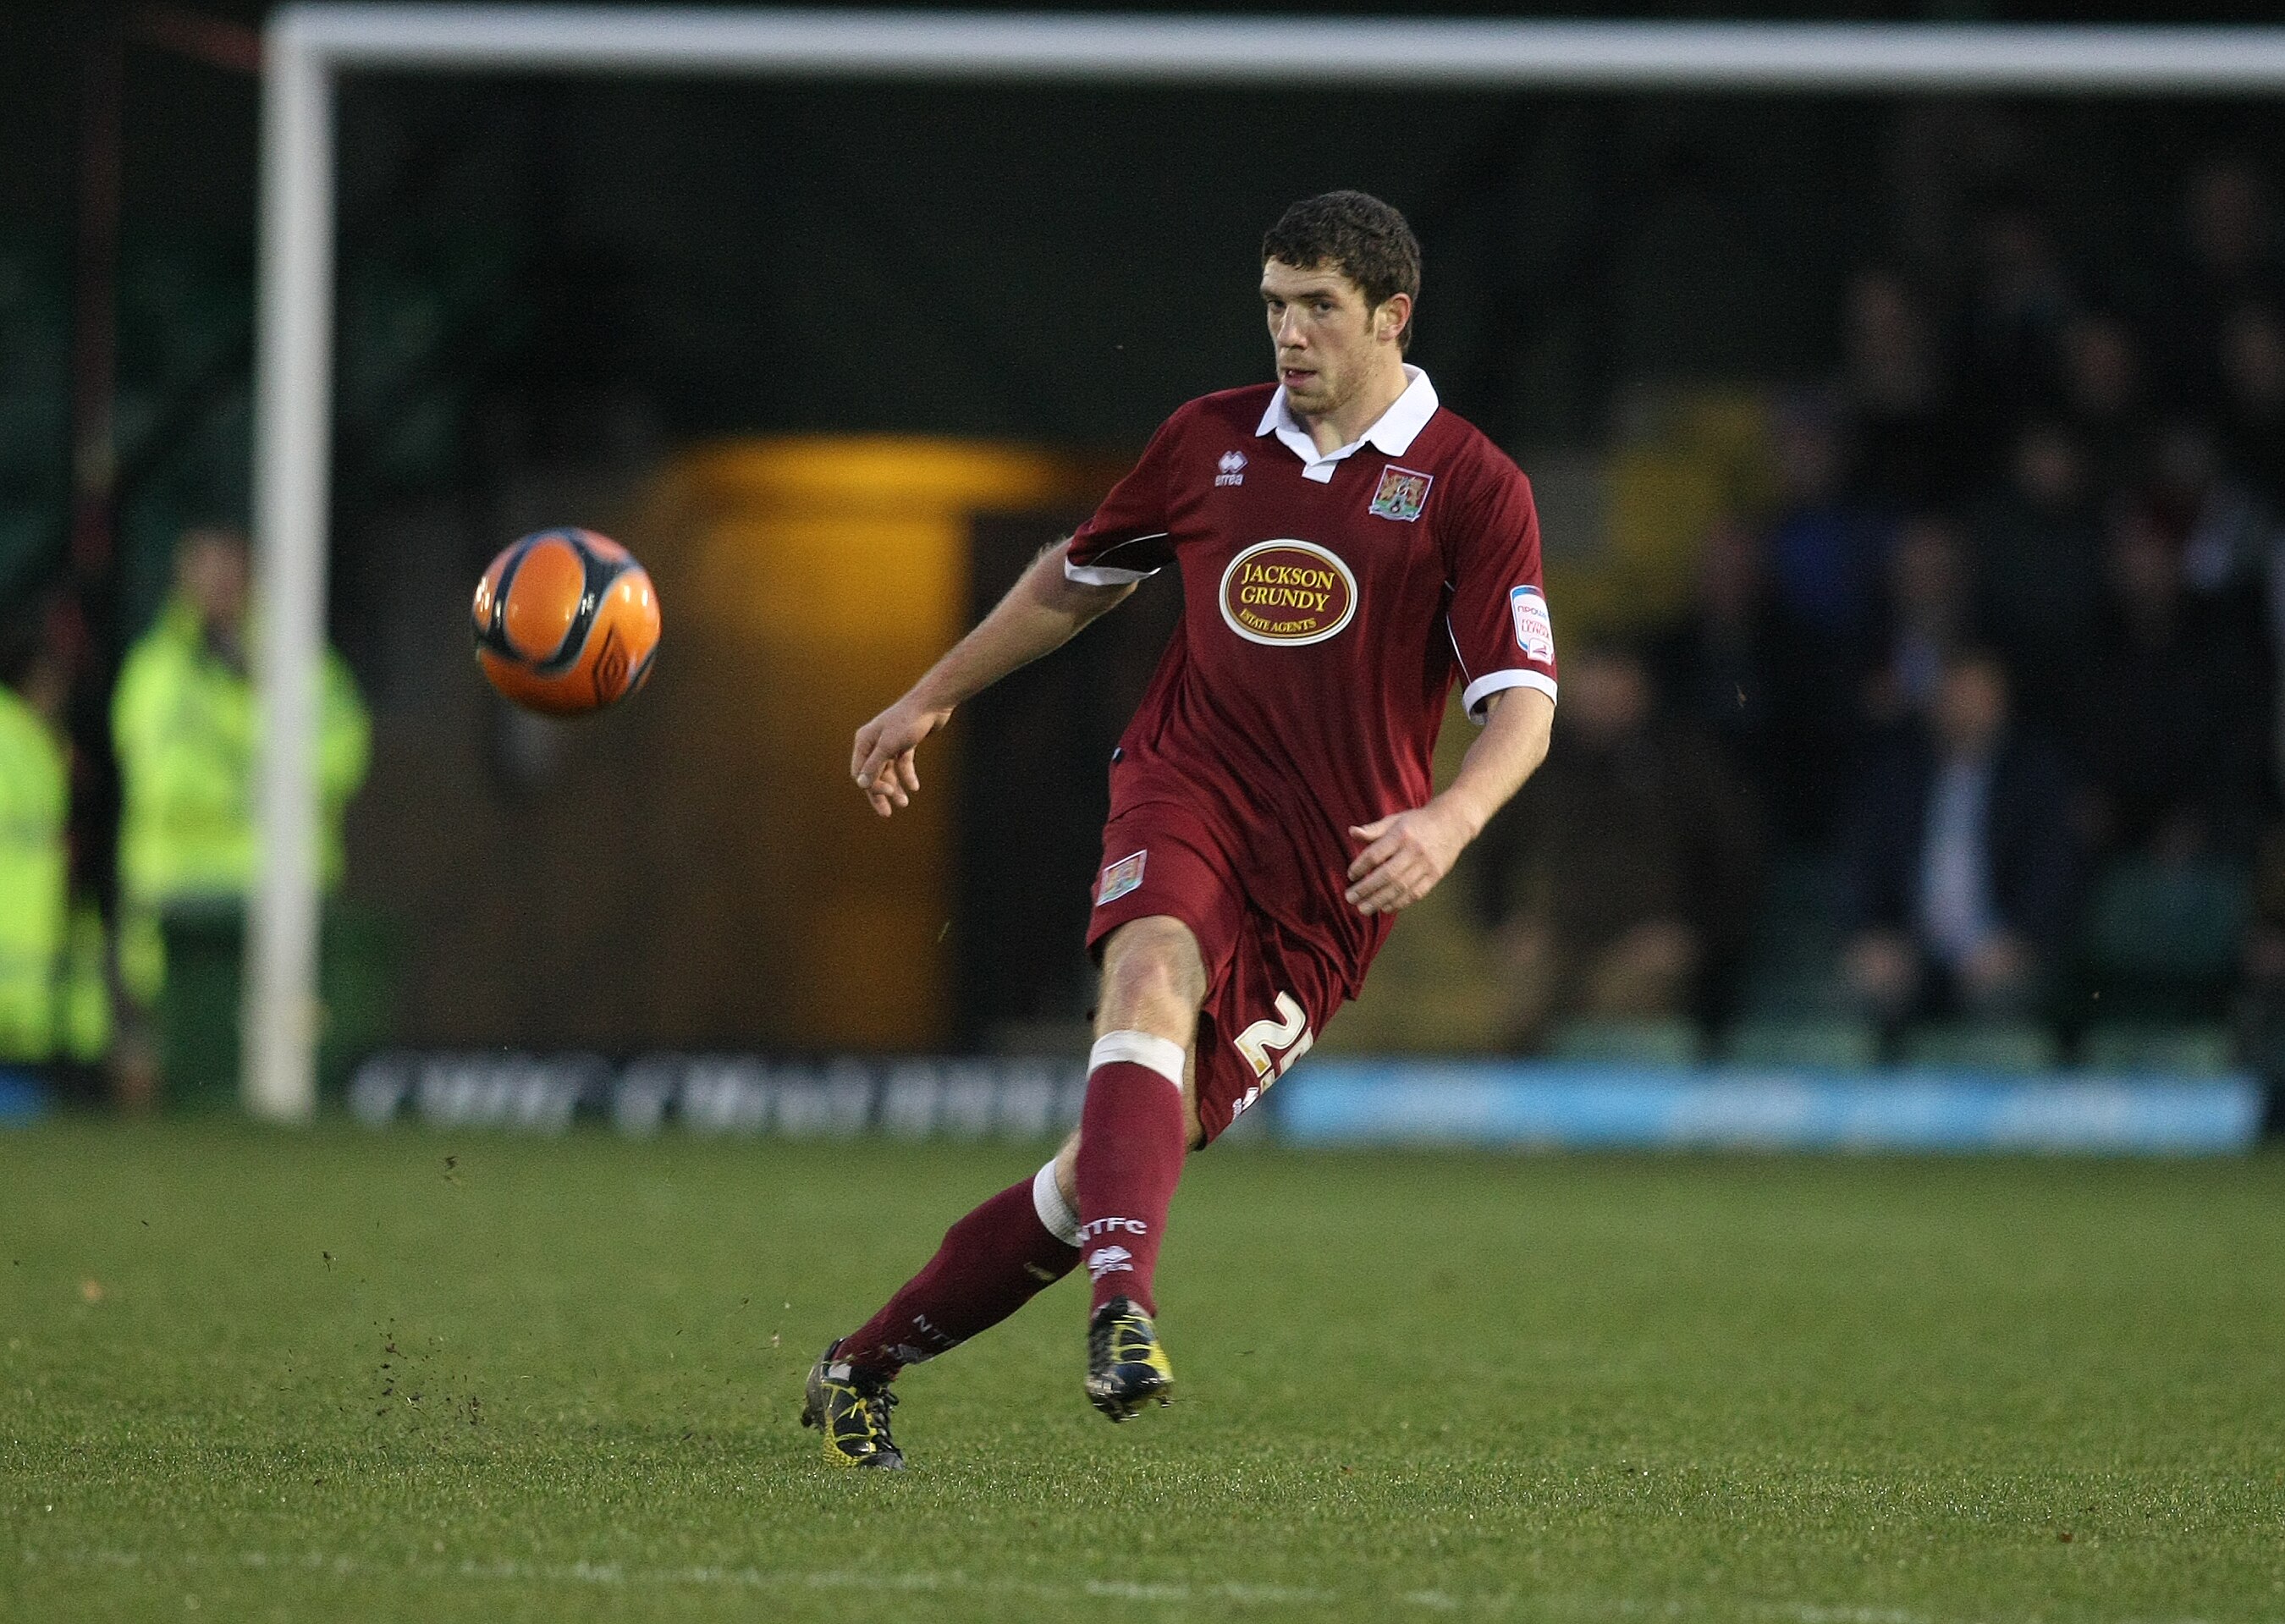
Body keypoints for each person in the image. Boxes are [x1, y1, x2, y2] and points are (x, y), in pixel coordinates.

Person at [803, 192, 1558, 1467]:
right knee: (1148, 967)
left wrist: (1451, 815)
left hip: (1332, 879)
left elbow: (1524, 703)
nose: (1290, 332)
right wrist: (931, 692)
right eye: (1274, 303)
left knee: (1087, 1182)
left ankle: (859, 1361)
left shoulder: (1472, 484)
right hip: (1186, 781)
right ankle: (1124, 1314)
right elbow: (1077, 577)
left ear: (1392, 315)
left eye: (1319, 305)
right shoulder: (1206, 441)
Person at [111, 526, 370, 1102]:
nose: (218, 585)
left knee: (292, 1073)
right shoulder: (155, 670)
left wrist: (246, 768)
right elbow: (162, 779)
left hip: (286, 901)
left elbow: (345, 751)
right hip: (183, 908)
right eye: (204, 569)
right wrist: (267, 781)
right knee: (177, 1078)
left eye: (229, 570)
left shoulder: (302, 661)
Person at [1475, 643, 1759, 1047]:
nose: (1596, 702)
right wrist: (1502, 923)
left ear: (1639, 691)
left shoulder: (1685, 765)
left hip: (1646, 939)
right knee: (1519, 996)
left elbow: (1735, 862)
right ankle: (1510, 1106)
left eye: (1610, 689)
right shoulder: (1537, 758)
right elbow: (1488, 847)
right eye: (1588, 689)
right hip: (1559, 934)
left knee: (1621, 1015)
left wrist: (1692, 936)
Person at [1839, 647, 2075, 1024]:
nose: (1967, 707)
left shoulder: (2035, 780)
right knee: (1862, 984)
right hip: (1909, 947)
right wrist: (1873, 933)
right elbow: (1864, 864)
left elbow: (2052, 874)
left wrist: (2020, 942)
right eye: (1957, 692)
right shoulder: (1898, 775)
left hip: (2000, 949)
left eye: (1980, 694)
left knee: (2003, 996)